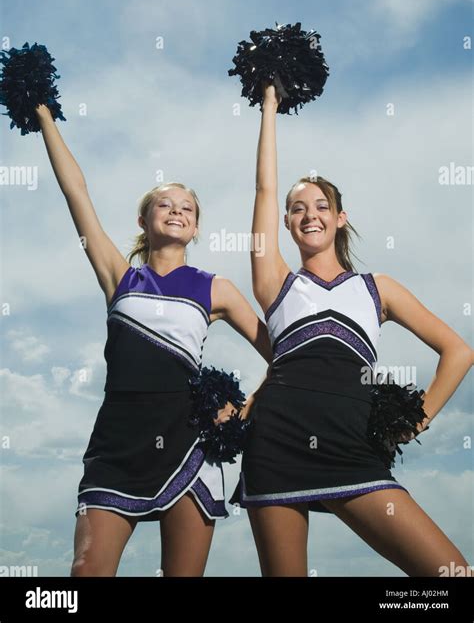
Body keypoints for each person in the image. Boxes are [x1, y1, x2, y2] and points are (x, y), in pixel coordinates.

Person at [230, 84, 473, 577]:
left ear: (340, 219)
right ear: (286, 223)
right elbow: (264, 189)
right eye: (298, 208)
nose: (309, 215)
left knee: (451, 574)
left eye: (320, 205)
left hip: (353, 448)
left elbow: (458, 350)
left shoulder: (377, 288)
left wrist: (416, 420)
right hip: (276, 446)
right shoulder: (275, 282)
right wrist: (270, 104)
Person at [34, 104, 272, 577]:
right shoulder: (119, 276)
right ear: (143, 220)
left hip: (189, 442)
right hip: (116, 445)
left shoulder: (214, 287)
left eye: (187, 208)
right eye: (165, 204)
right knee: (86, 571)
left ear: (197, 227)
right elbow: (74, 191)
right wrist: (42, 111)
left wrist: (242, 413)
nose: (177, 211)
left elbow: (281, 354)